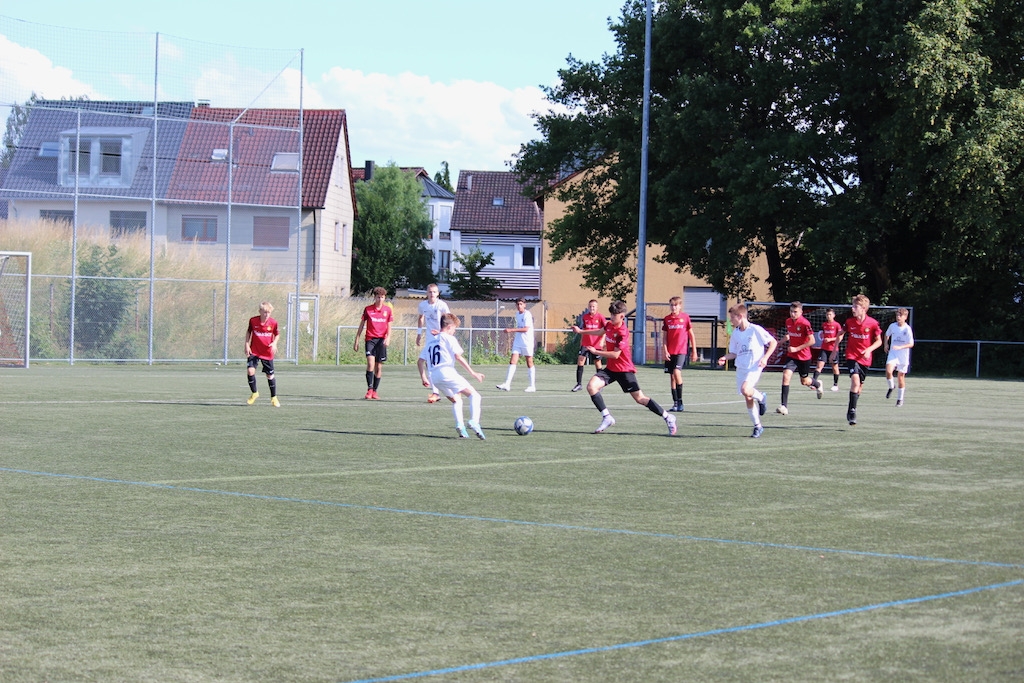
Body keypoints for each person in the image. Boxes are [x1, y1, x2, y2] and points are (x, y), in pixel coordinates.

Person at [572, 300, 677, 435]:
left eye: (614, 315)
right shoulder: (609, 325)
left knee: (640, 399)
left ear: (622, 316)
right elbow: (599, 332)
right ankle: (607, 417)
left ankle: (668, 417)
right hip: (611, 369)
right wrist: (581, 331)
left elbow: (615, 355)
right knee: (591, 386)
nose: (611, 317)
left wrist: (596, 351)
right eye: (611, 314)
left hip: (624, 370)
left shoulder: (623, 332)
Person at [418, 313, 486, 439]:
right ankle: (474, 421)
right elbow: (458, 356)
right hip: (447, 372)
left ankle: (460, 426)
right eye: (454, 328)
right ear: (449, 327)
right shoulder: (449, 338)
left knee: (457, 400)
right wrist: (473, 373)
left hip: (435, 378)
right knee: (475, 396)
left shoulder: (431, 341)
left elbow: (420, 361)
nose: (454, 332)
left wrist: (423, 377)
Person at [717, 303, 777, 438]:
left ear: (740, 316)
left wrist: (765, 358)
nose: (731, 321)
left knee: (745, 389)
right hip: (741, 368)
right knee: (748, 397)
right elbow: (734, 353)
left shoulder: (755, 329)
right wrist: (724, 358)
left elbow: (773, 342)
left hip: (754, 366)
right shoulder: (735, 334)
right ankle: (758, 426)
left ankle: (761, 397)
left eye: (732, 318)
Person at [843, 294, 884, 425]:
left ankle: (852, 406)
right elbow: (840, 334)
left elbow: (879, 341)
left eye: (855, 306)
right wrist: (834, 350)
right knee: (855, 381)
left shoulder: (872, 323)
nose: (853, 309)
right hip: (851, 356)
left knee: (859, 386)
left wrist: (869, 350)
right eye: (853, 306)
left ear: (864, 309)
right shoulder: (849, 322)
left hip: (865, 359)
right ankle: (852, 411)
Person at [776, 301, 823, 415]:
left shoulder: (805, 323)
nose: (793, 314)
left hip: (804, 357)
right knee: (786, 376)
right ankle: (784, 406)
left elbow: (812, 341)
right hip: (792, 356)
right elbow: (789, 334)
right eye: (791, 311)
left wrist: (796, 348)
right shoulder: (788, 321)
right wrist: (779, 342)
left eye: (795, 312)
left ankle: (817, 384)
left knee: (804, 381)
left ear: (801, 312)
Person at [353, 287, 393, 400]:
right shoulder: (368, 309)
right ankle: (369, 389)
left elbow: (389, 326)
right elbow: (362, 325)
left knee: (378, 367)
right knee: (370, 364)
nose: (380, 299)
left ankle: (375, 391)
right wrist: (357, 339)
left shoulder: (387, 310)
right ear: (374, 297)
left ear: (385, 298)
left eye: (382, 297)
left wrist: (388, 338)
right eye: (378, 297)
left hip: (381, 341)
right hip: (370, 340)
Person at [416, 283, 451, 403]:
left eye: (434, 292)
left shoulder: (442, 305)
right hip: (430, 339)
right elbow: (420, 318)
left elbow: (448, 319)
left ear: (438, 293)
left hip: (441, 338)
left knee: (441, 365)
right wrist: (419, 334)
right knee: (424, 362)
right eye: (430, 292)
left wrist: (442, 332)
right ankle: (435, 391)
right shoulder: (423, 305)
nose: (432, 294)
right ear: (427, 293)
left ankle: (448, 389)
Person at [662, 296, 698, 412]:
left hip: (681, 351)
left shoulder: (685, 317)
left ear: (680, 306)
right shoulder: (667, 319)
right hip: (670, 352)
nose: (673, 307)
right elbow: (664, 337)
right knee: (672, 377)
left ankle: (681, 401)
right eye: (672, 305)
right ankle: (675, 403)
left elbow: (691, 335)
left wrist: (694, 351)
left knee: (677, 372)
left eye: (676, 305)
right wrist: (665, 350)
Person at [245, 301, 281, 407]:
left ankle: (274, 397)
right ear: (260, 311)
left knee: (269, 375)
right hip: (254, 351)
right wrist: (247, 344)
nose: (266, 314)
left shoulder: (273, 323)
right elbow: (249, 332)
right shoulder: (253, 321)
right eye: (265, 312)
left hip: (267, 352)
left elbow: (277, 334)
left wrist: (274, 343)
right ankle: (254, 393)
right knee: (250, 371)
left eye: (269, 312)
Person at [496, 298, 536, 392]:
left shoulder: (527, 314)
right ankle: (507, 384)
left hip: (527, 342)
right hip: (518, 341)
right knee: (512, 361)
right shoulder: (517, 314)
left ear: (524, 305)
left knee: (529, 362)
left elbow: (526, 329)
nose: (519, 306)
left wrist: (511, 330)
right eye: (518, 304)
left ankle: (532, 386)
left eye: (521, 304)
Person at [572, 299, 606, 392]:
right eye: (590, 306)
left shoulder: (600, 317)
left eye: (593, 306)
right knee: (580, 361)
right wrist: (581, 342)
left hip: (596, 345)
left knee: (597, 363)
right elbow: (583, 330)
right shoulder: (585, 317)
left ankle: (600, 384)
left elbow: (605, 330)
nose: (592, 308)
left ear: (597, 307)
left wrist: (602, 341)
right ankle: (579, 384)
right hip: (585, 344)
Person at [884, 307, 915, 407]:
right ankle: (891, 386)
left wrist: (900, 347)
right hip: (893, 353)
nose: (898, 317)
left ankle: (900, 399)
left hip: (903, 356)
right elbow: (886, 335)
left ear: (905, 317)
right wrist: (886, 344)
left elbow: (911, 344)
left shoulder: (907, 329)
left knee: (900, 378)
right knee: (888, 371)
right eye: (897, 315)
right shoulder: (892, 326)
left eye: (900, 315)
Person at [813, 308, 844, 392]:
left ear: (834, 315)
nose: (828, 316)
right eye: (827, 314)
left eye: (830, 314)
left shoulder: (837, 325)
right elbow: (823, 334)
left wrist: (830, 339)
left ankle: (835, 384)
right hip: (824, 348)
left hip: (833, 349)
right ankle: (813, 383)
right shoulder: (824, 324)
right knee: (819, 365)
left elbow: (840, 337)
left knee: (835, 367)